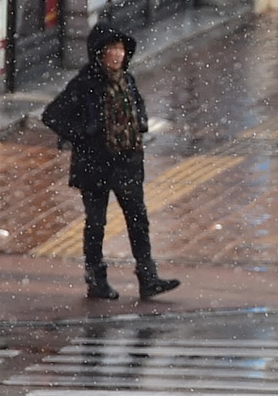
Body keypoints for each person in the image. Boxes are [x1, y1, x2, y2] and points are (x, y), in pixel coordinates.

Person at [42, 25, 178, 302]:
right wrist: (83, 134)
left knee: (138, 220)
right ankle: (96, 280)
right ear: (99, 53)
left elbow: (138, 108)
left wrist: (139, 122)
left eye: (120, 49)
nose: (117, 54)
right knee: (96, 223)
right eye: (111, 49)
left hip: (127, 162)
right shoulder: (86, 82)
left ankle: (147, 277)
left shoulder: (127, 79)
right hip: (95, 165)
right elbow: (52, 115)